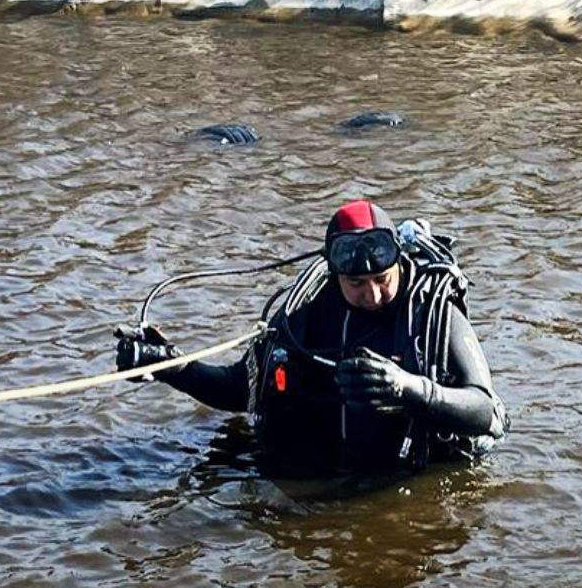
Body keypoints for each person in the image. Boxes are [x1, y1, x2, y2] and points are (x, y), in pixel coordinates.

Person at [116, 200, 507, 474]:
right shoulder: (305, 314)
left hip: (406, 475)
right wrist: (170, 366)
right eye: (356, 283)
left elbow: (486, 412)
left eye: (382, 281)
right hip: (322, 474)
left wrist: (408, 389)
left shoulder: (433, 313)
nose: (370, 295)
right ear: (335, 274)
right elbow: (240, 390)